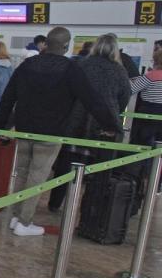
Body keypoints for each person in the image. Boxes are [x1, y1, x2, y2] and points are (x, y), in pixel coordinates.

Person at [0, 27, 119, 236]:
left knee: (21, 173)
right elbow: (92, 100)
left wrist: (0, 127)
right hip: (51, 132)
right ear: (66, 45)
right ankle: (24, 223)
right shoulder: (70, 69)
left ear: (45, 43)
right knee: (37, 176)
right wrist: (110, 125)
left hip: (24, 129)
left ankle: (15, 216)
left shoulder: (28, 65)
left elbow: (8, 96)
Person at [48, 34, 132, 211]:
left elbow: (67, 91)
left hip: (75, 121)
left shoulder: (81, 65)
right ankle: (90, 209)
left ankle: (55, 203)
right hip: (104, 125)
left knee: (64, 166)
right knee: (100, 171)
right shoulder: (119, 70)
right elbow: (124, 97)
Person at [130, 48, 162, 148]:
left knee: (143, 142)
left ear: (156, 60)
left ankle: (144, 164)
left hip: (148, 111)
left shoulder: (151, 75)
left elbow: (131, 90)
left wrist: (131, 81)